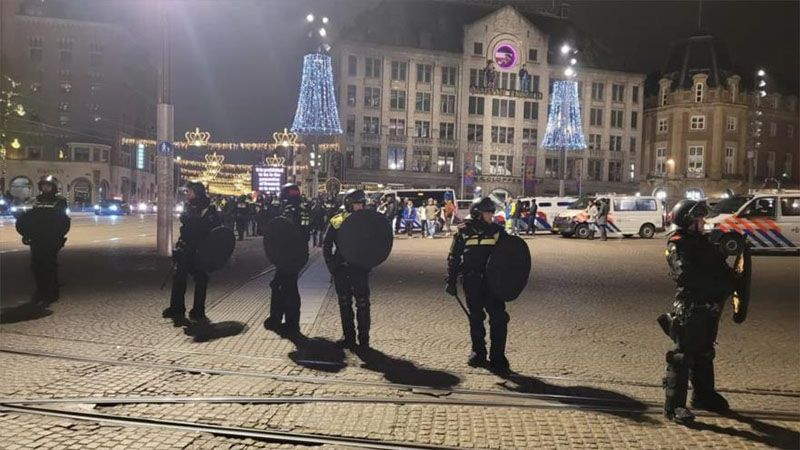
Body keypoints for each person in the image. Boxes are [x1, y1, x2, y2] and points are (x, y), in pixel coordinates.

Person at [660, 199, 736, 425]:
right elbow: (686, 275)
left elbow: (720, 268)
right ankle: (674, 406)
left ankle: (703, 395)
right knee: (682, 355)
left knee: (704, 352)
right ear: (687, 222)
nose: (703, 223)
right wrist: (715, 285)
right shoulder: (678, 244)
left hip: (710, 307)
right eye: (699, 220)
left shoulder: (703, 242)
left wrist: (732, 278)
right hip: (691, 307)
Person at [445, 197, 510, 373]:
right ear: (477, 214)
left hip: (493, 283)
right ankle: (478, 353)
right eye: (488, 212)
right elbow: (454, 257)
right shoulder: (464, 232)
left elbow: (510, 257)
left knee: (499, 318)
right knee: (475, 318)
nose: (491, 215)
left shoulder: (498, 232)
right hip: (472, 281)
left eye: (492, 212)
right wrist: (451, 280)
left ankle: (498, 356)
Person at [164, 182, 220, 325]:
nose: (187, 194)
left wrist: (193, 222)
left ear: (197, 192)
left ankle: (198, 311)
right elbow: (185, 224)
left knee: (201, 279)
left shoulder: (209, 207)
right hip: (186, 246)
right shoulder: (189, 206)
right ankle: (176, 308)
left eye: (189, 192)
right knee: (178, 278)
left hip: (200, 249)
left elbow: (212, 228)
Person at [323, 189, 372, 348]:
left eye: (362, 204)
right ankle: (349, 337)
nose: (360, 207)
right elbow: (327, 244)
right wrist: (332, 266)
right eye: (358, 204)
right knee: (344, 304)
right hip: (342, 269)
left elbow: (375, 243)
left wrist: (368, 263)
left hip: (359, 269)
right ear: (350, 204)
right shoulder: (338, 219)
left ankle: (364, 339)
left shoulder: (367, 220)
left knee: (363, 304)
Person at [16, 176, 70, 305]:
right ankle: (40, 290)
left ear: (54, 187)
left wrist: (59, 236)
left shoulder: (59, 201)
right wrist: (25, 233)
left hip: (51, 238)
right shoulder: (34, 201)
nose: (46, 187)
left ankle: (51, 292)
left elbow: (63, 221)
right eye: (44, 185)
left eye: (49, 185)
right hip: (36, 238)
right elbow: (26, 219)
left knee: (49, 265)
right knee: (36, 265)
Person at [264, 184, 306, 335]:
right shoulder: (303, 209)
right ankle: (283, 320)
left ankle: (288, 322)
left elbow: (282, 233)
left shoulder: (289, 211)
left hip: (288, 256)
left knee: (285, 288)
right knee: (283, 286)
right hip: (297, 255)